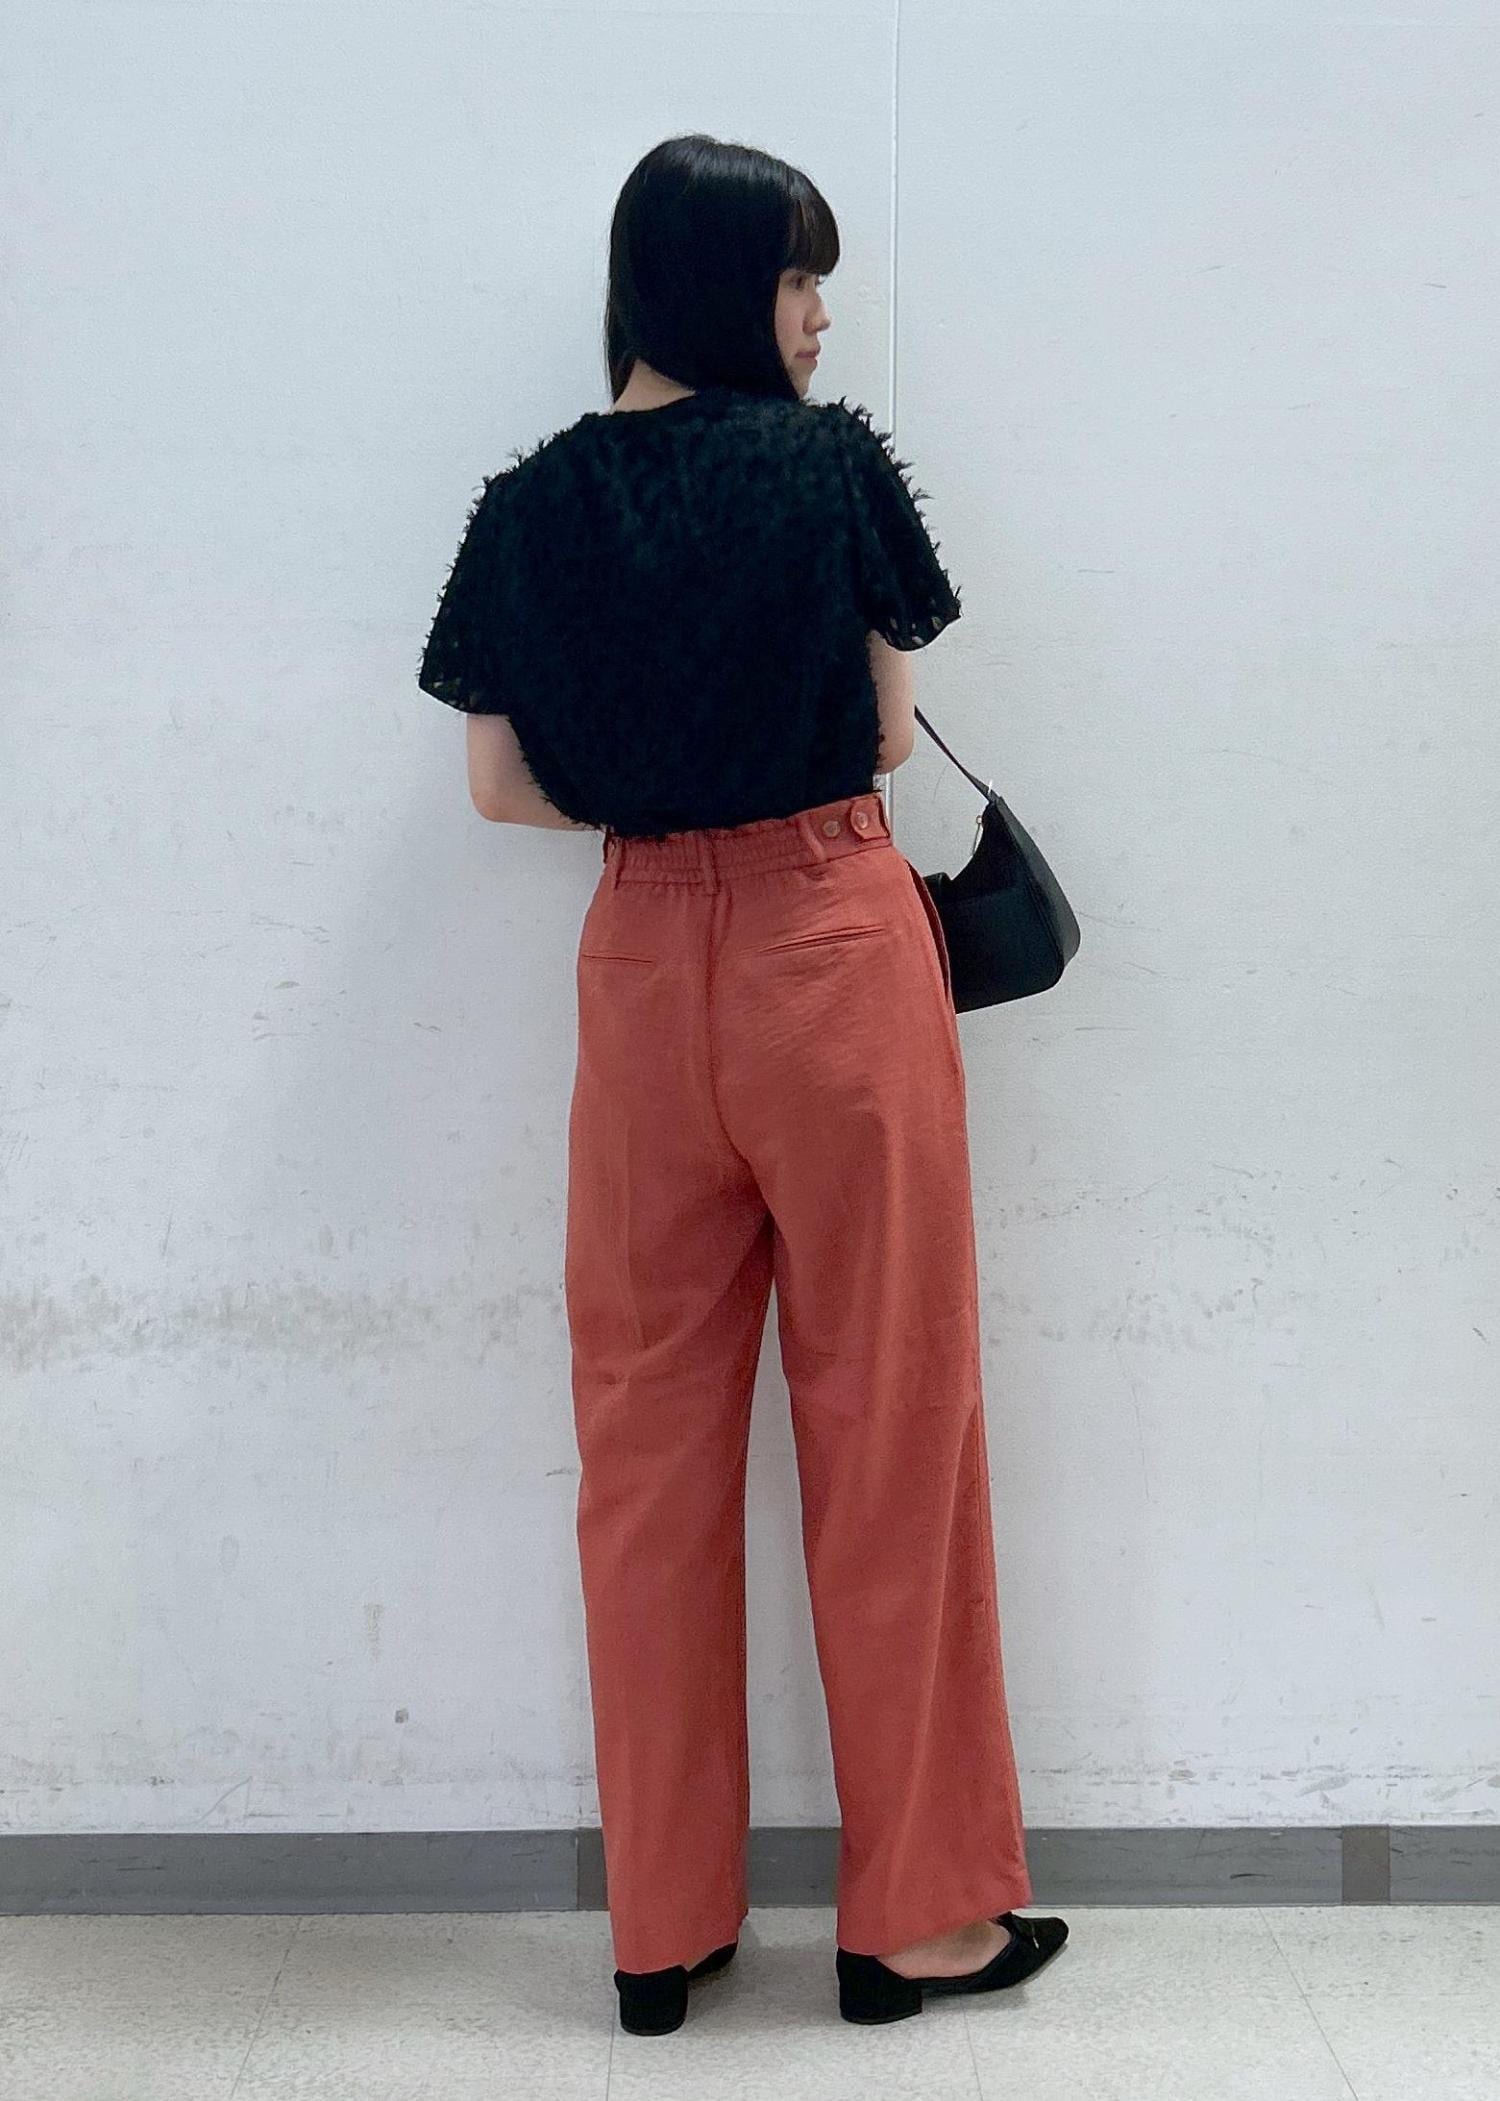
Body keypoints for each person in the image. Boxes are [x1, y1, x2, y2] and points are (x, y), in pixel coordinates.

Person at [416, 132, 1068, 2035]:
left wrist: (656, 798)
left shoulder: (528, 508)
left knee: (643, 1451)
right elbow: (884, 733)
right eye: (798, 278)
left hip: (640, 975)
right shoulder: (830, 467)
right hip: (829, 956)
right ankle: (915, 1923)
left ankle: (663, 1929)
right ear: (723, 286)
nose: (821, 316)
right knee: (893, 1426)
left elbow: (497, 787)